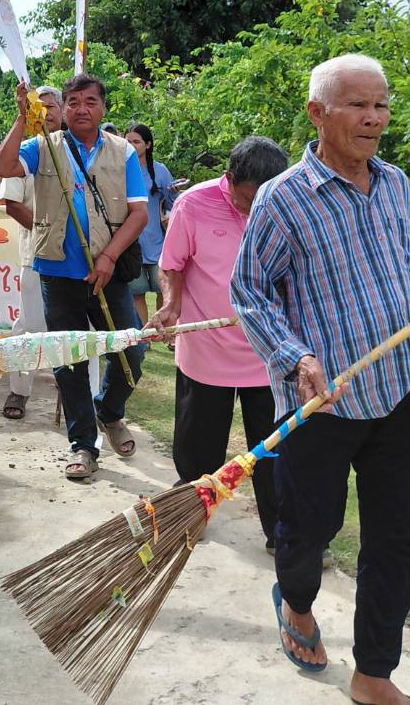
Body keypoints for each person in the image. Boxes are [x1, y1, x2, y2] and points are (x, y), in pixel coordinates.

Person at [231, 54, 410, 704]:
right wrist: (296, 358)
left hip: (397, 393)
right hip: (321, 404)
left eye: (380, 104)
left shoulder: (395, 184)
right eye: (357, 104)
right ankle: (294, 604)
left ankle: (372, 674)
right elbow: (249, 291)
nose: (373, 117)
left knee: (398, 539)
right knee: (306, 536)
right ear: (317, 113)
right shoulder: (282, 198)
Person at [0, 75, 149, 480]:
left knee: (131, 348)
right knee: (69, 359)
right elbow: (3, 168)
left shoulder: (122, 152)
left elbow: (139, 213)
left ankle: (110, 412)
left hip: (107, 273)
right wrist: (20, 118)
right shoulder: (43, 146)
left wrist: (109, 258)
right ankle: (83, 446)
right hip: (57, 270)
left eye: (90, 101)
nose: (82, 108)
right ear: (60, 108)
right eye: (74, 102)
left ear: (103, 107)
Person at [148, 136, 290, 553]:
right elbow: (171, 266)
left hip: (269, 351)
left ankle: (283, 533)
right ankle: (190, 515)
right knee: (197, 448)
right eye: (248, 199)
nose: (255, 209)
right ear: (229, 179)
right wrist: (172, 305)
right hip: (206, 348)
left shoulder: (287, 205)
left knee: (275, 450)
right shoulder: (193, 204)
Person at [0, 86, 62, 420]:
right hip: (36, 255)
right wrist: (47, 233)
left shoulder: (76, 149)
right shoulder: (26, 151)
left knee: (77, 326)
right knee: (32, 325)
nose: (48, 112)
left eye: (54, 106)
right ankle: (19, 389)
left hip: (76, 258)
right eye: (42, 107)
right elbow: (11, 203)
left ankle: (80, 392)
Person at [124, 123, 177, 323]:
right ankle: (142, 338)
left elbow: (173, 204)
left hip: (157, 241)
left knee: (163, 289)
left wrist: (171, 192)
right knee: (136, 293)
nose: (131, 145)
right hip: (130, 242)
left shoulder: (160, 171)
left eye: (136, 142)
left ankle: (162, 332)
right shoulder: (119, 169)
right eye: (127, 141)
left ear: (148, 145)